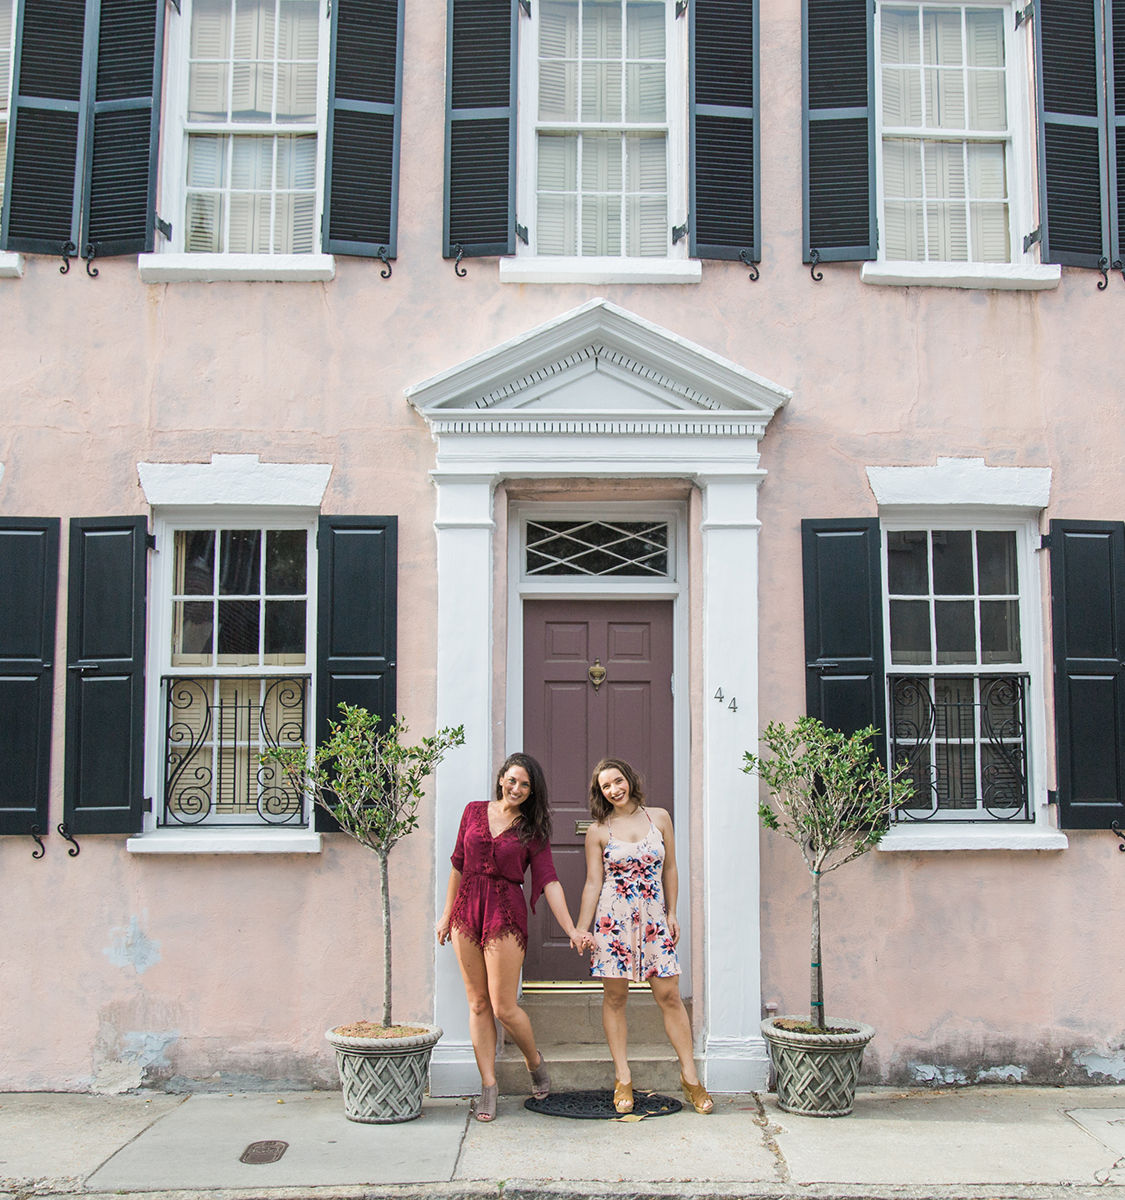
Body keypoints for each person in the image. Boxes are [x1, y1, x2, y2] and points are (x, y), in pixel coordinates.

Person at [436, 752, 581, 1123]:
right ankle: (489, 1085)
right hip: (466, 909)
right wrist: (445, 914)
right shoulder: (472, 811)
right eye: (512, 780)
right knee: (478, 1004)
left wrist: (571, 928)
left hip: (505, 910)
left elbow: (548, 881)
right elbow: (457, 865)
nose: (516, 788)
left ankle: (534, 1061)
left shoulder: (533, 830)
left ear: (532, 792)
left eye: (525, 785)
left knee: (502, 1006)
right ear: (501, 778)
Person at [573, 757, 714, 1115]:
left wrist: (671, 912)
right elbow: (593, 883)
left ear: (629, 779)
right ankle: (623, 1077)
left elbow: (670, 867)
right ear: (600, 793)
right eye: (606, 786)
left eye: (617, 781)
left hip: (653, 918)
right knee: (616, 998)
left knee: (669, 994)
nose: (614, 790)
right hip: (613, 921)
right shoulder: (598, 830)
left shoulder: (659, 817)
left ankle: (690, 1077)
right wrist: (581, 927)